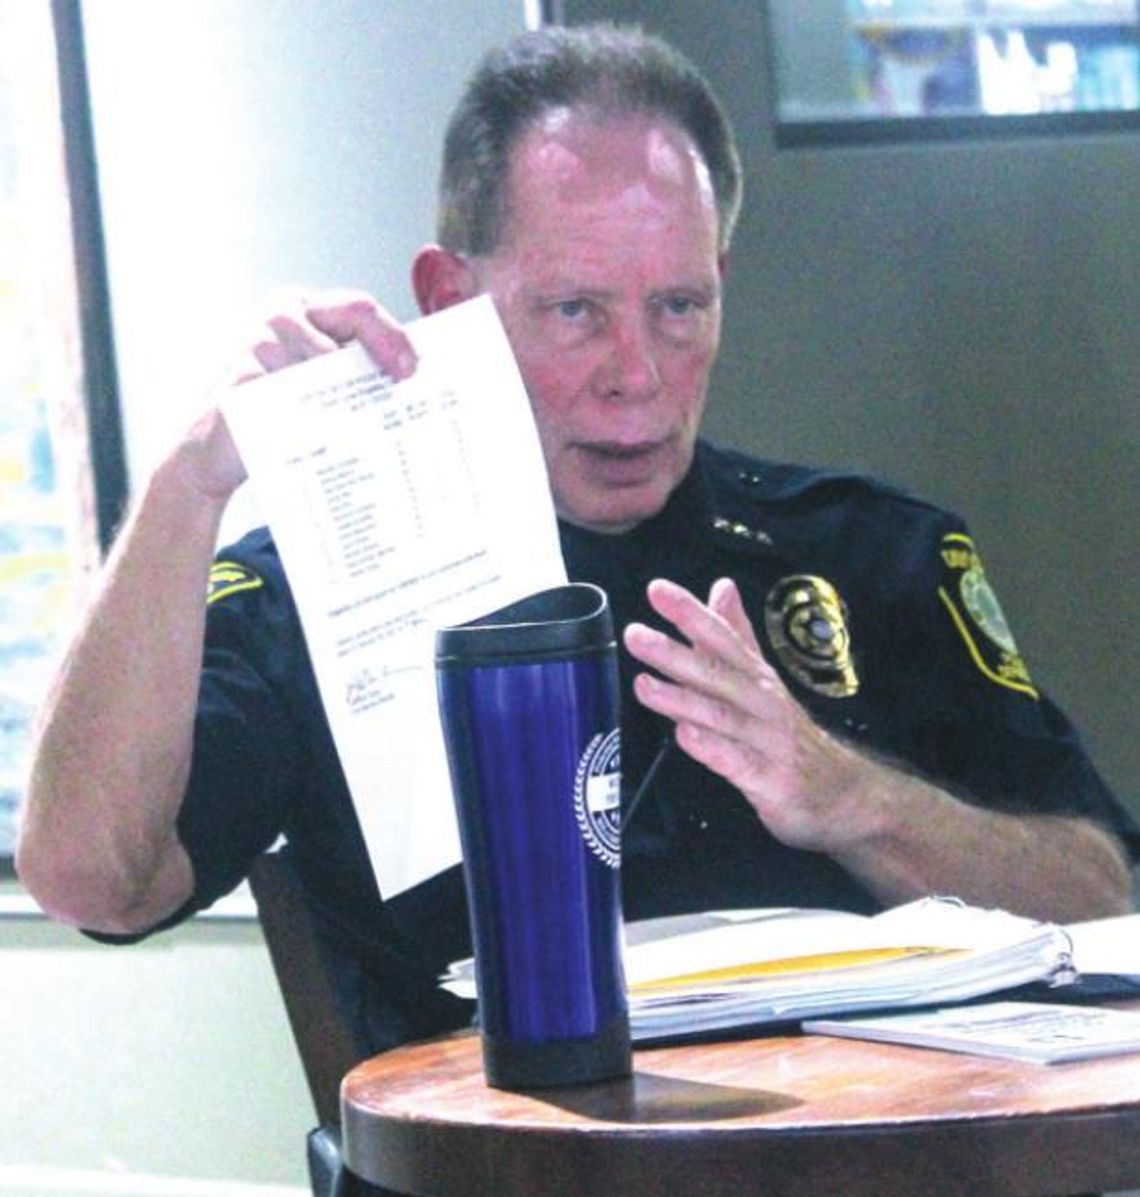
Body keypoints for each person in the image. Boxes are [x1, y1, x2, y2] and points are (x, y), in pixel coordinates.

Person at [16, 23, 1137, 1063]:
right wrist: (185, 487)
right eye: (575, 311)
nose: (635, 373)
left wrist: (856, 801)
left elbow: (1105, 898)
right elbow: (91, 883)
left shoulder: (867, 552)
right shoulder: (312, 593)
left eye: (678, 309)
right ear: (446, 296)